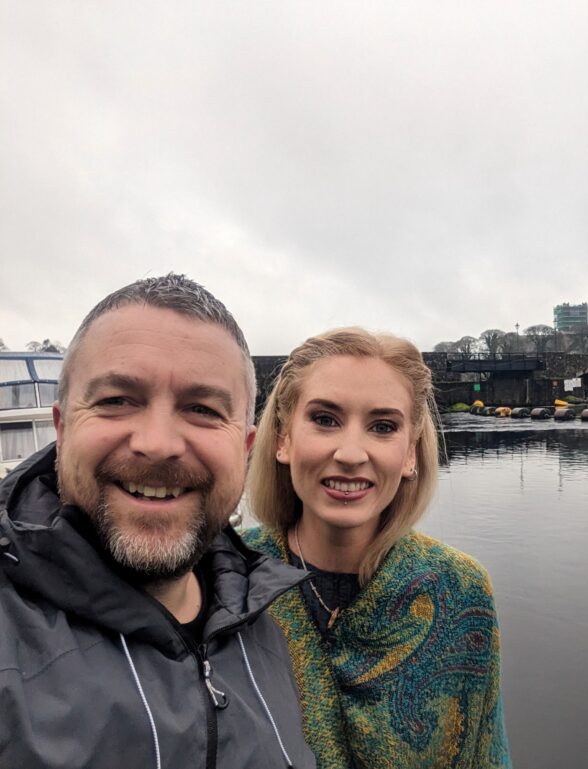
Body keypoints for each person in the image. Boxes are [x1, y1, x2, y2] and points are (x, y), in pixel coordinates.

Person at [0, 274, 315, 769]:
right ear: (61, 430)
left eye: (202, 409)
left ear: (245, 448)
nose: (158, 442)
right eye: (116, 401)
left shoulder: (264, 630)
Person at [242, 328, 511, 769]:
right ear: (283, 438)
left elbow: (485, 753)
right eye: (325, 419)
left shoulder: (459, 590)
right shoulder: (227, 576)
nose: (351, 453)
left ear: (409, 453)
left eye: (383, 427)